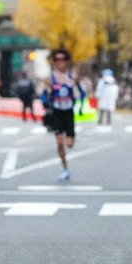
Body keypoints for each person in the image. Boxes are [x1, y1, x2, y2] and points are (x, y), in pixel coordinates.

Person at [41, 48, 85, 181]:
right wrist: (47, 104)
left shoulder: (73, 76)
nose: (60, 62)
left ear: (67, 61)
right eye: (57, 60)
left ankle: (68, 138)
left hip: (69, 112)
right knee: (60, 142)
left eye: (63, 59)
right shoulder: (50, 78)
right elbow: (43, 95)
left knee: (70, 144)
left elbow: (82, 92)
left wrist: (80, 106)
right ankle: (65, 168)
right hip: (57, 112)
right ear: (54, 62)